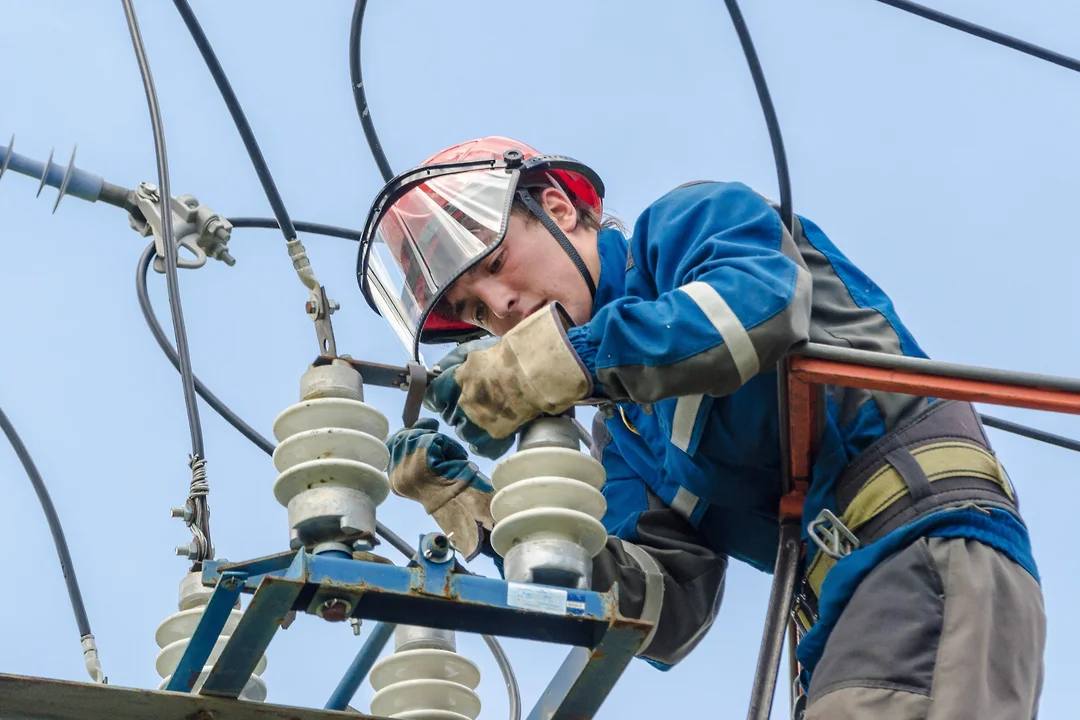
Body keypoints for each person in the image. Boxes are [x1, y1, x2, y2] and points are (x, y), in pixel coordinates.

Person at [356, 136, 1044, 718]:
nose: (501, 307)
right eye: (475, 312)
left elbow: (758, 311)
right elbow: (663, 611)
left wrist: (567, 361)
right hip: (844, 612)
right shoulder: (625, 435)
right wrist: (500, 515)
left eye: (496, 267)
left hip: (921, 545)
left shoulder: (685, 230)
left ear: (560, 209)